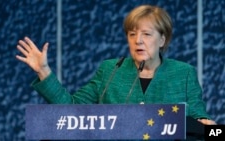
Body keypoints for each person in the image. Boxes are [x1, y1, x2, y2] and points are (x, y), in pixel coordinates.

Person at [16, 4, 216, 125]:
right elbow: (72, 110)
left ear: (162, 40)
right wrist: (44, 71)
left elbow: (201, 121)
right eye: (132, 34)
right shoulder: (110, 70)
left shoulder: (184, 73)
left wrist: (207, 127)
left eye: (146, 34)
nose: (138, 41)